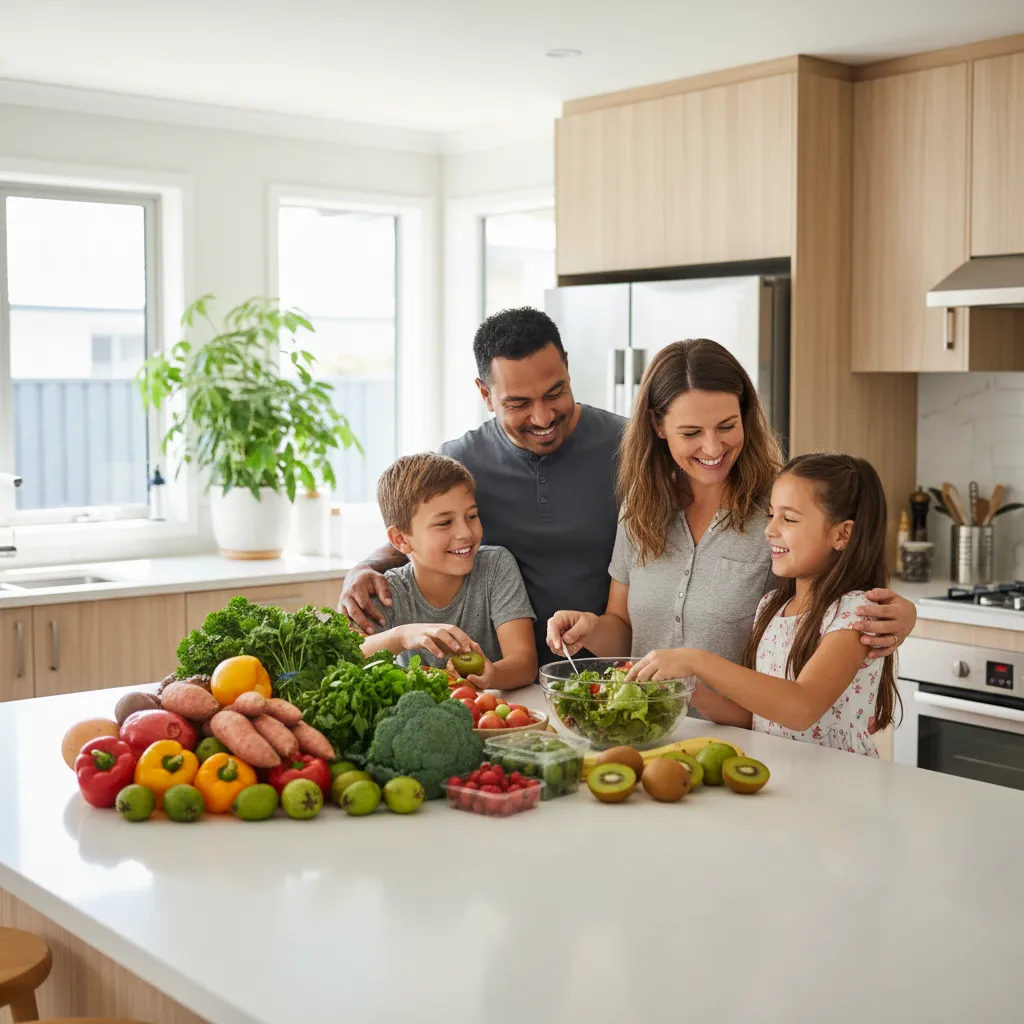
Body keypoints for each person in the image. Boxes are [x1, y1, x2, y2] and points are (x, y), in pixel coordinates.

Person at [546, 339, 915, 720]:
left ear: (746, 415)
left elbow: (835, 601)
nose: (712, 446)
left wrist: (901, 613)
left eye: (727, 426)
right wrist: (590, 630)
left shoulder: (780, 512)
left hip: (745, 744)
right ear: (658, 426)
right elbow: (626, 631)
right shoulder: (639, 511)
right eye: (691, 432)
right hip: (648, 733)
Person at [340, 307, 626, 668]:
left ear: (567, 367)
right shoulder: (461, 461)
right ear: (485, 394)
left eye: (555, 393)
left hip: (612, 676)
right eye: (518, 404)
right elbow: (421, 535)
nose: (543, 417)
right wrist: (363, 568)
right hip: (507, 690)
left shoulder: (630, 447)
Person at [625, 453, 902, 756]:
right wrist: (689, 691)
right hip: (777, 779)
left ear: (842, 534)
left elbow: (801, 707)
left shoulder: (855, 616)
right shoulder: (772, 606)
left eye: (789, 518)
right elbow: (755, 718)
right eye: (771, 515)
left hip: (836, 786)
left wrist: (696, 660)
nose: (770, 530)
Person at [357, 452, 537, 690]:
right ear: (401, 539)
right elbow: (354, 656)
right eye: (444, 523)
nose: (466, 533)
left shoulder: (496, 566)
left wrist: (493, 674)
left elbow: (525, 663)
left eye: (472, 516)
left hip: (491, 713)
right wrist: (401, 636)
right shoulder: (389, 591)